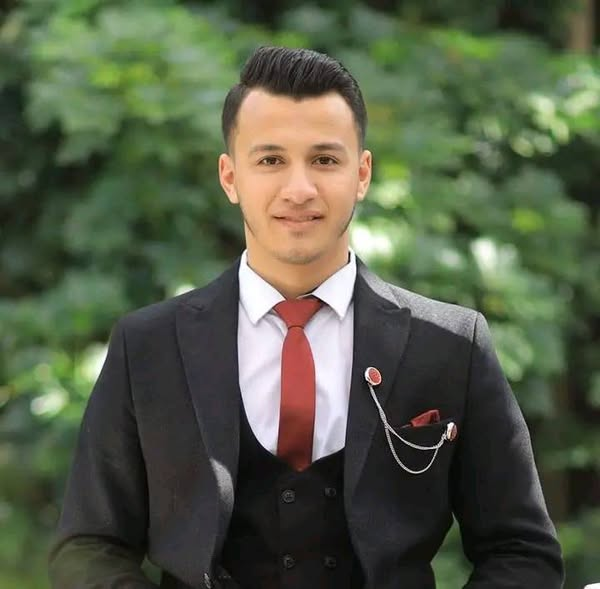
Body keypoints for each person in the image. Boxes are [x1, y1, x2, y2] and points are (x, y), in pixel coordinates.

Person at [49, 46, 564, 589]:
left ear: (361, 174)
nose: (299, 190)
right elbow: (89, 545)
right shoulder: (147, 345)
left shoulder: (451, 345)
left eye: (324, 160)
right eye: (271, 160)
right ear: (230, 177)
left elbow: (521, 551)